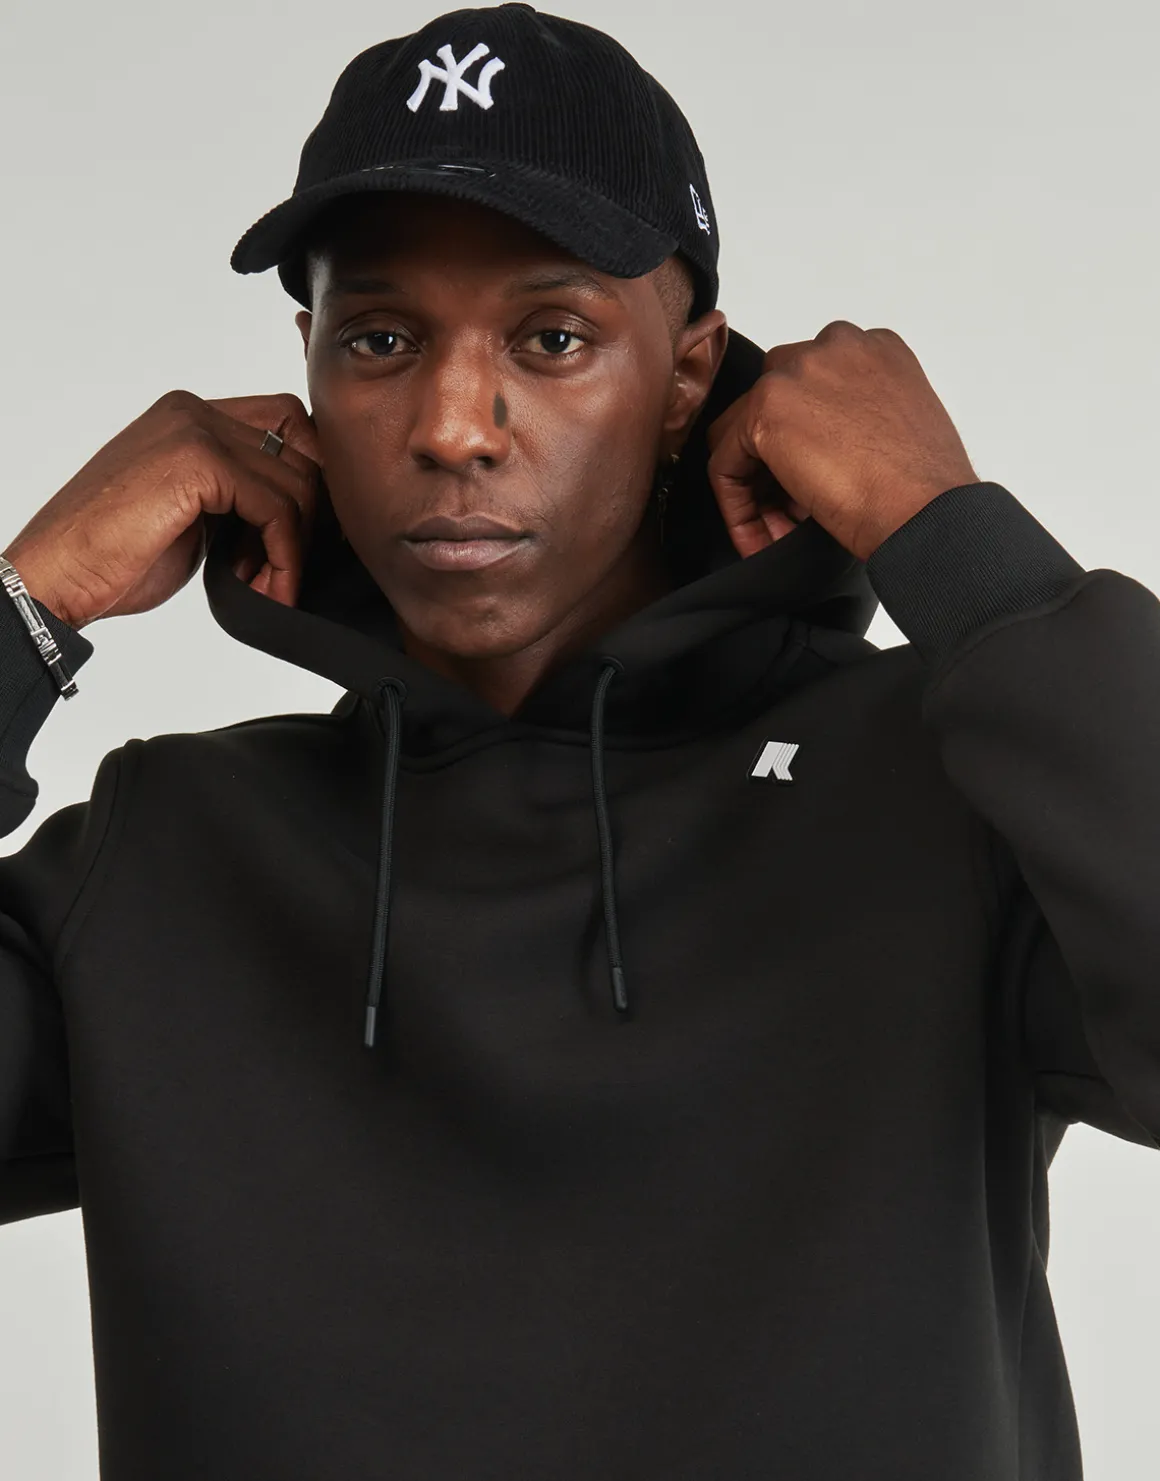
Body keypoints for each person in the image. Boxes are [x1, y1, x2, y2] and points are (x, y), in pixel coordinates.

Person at [0, 4, 1155, 1477]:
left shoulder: (942, 797)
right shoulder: (170, 855)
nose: (453, 425)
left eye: (552, 337)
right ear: (309, 369)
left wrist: (955, 540)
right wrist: (25, 605)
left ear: (690, 374)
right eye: (380, 339)